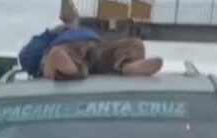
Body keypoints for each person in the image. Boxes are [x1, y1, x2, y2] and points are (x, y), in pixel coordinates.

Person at [19, 0, 163, 80]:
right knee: (62, 53)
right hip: (67, 48)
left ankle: (127, 64)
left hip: (93, 48)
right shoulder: (54, 35)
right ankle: (61, 66)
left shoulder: (80, 30)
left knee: (133, 44)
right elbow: (28, 56)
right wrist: (54, 33)